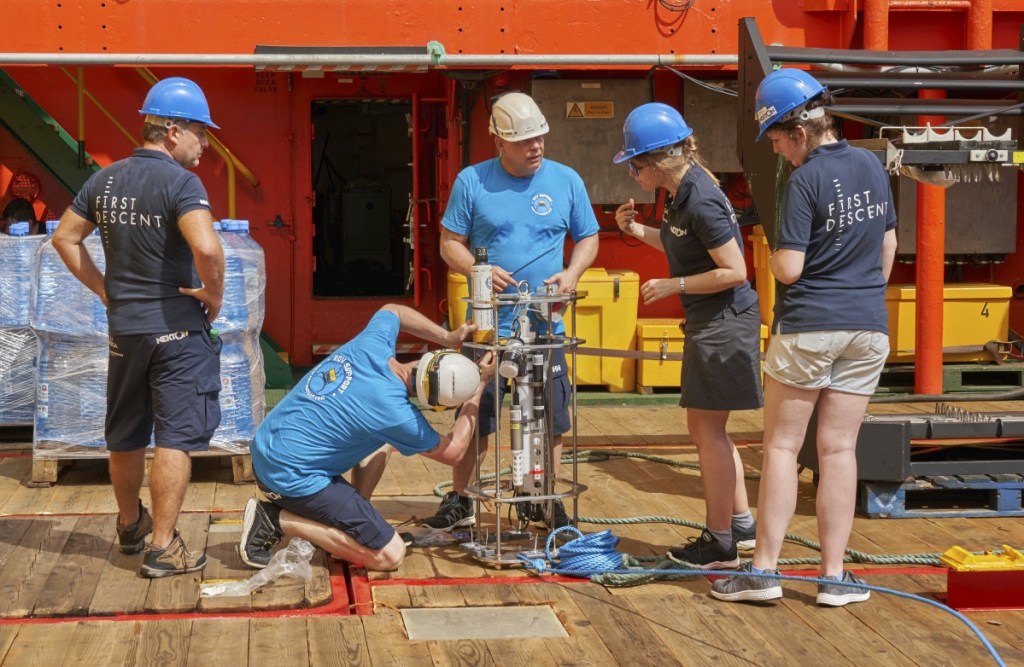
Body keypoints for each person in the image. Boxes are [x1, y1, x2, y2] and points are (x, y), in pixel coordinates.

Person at [711, 69, 897, 606]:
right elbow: (887, 252)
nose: (779, 153)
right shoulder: (872, 163)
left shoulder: (805, 179)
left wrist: (771, 254)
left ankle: (763, 571)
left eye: (776, 141)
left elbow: (789, 269)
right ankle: (834, 577)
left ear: (798, 131)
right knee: (839, 448)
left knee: (783, 448)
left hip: (811, 326)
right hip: (867, 326)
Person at [52, 77, 225, 578]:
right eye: (200, 131)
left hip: (124, 329)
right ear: (172, 130)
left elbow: (65, 239)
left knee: (125, 433)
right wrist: (213, 294)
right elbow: (208, 248)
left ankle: (130, 527)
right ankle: (163, 547)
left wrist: (106, 290)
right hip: (175, 330)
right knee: (174, 435)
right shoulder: (182, 183)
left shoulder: (103, 180)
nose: (206, 143)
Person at [430, 91, 600, 532]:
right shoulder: (472, 181)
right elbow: (450, 244)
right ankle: (463, 498)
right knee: (476, 410)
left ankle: (539, 494)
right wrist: (481, 269)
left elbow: (588, 237)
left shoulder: (566, 181)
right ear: (498, 142)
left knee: (550, 414)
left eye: (540, 137)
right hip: (488, 324)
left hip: (546, 322)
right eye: (525, 141)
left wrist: (572, 272)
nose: (536, 147)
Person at [612, 103, 762, 569]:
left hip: (723, 325)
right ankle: (739, 525)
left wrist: (673, 285)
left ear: (658, 161)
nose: (632, 172)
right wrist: (637, 229)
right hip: (711, 323)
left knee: (706, 432)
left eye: (635, 164)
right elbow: (681, 240)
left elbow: (735, 270)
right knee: (711, 431)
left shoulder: (700, 198)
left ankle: (720, 542)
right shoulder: (683, 193)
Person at [239, 305, 495, 571]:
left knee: (383, 440)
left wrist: (449, 337)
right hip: (290, 478)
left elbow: (393, 310)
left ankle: (348, 528)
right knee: (389, 555)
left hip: (267, 449)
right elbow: (454, 452)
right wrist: (479, 388)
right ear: (438, 406)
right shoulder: (398, 414)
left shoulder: (372, 345)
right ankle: (274, 519)